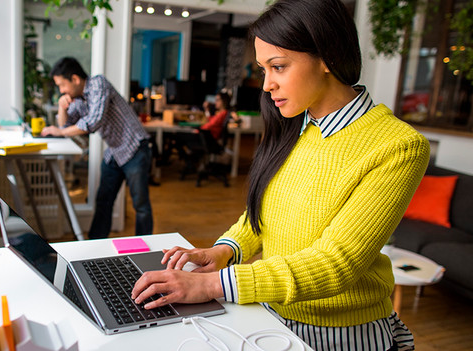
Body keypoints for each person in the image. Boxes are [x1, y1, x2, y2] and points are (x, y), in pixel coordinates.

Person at [131, 0, 429, 350]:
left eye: (279, 67)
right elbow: (265, 213)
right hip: (271, 317)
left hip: (340, 336)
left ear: (327, 57)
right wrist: (224, 250)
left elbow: (337, 263)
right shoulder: (297, 125)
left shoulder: (399, 145)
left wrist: (212, 285)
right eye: (263, 70)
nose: (266, 85)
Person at [41, 57, 153, 239]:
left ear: (75, 79)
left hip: (135, 148)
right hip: (115, 152)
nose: (61, 90)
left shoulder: (98, 84)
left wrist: (61, 132)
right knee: (103, 201)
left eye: (62, 85)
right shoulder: (77, 100)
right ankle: (94, 245)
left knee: (140, 205)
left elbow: (93, 121)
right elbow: (65, 126)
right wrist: (62, 107)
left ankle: (145, 248)